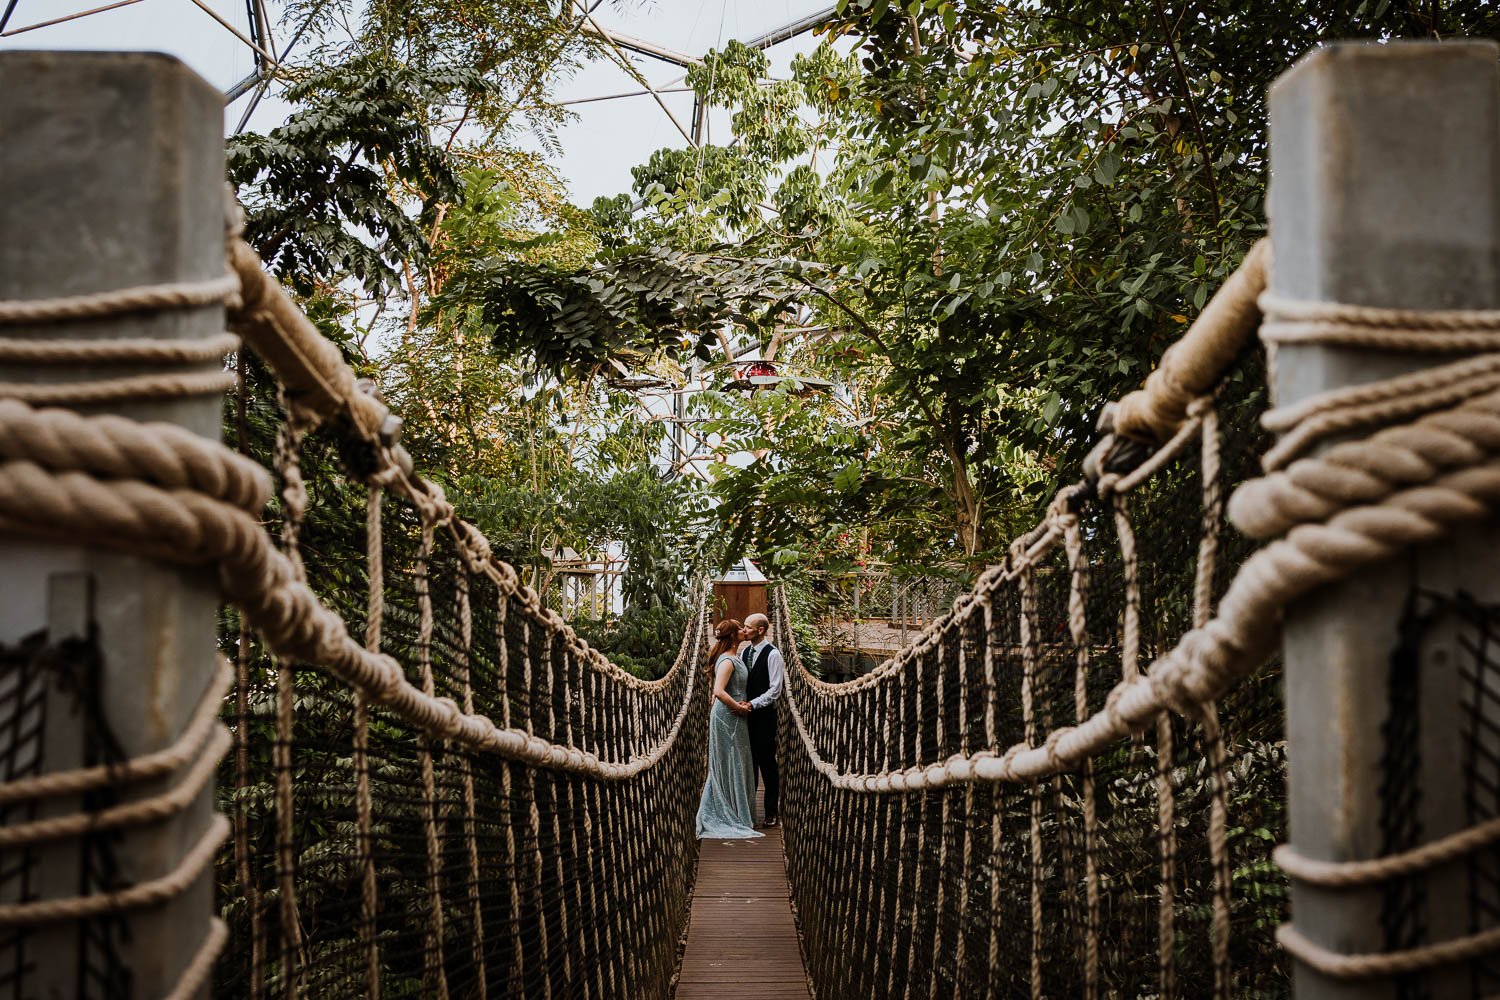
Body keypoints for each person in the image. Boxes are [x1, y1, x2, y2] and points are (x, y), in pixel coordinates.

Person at [694, 618, 763, 840]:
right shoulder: (727, 661)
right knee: (729, 762)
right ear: (733, 636)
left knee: (739, 762)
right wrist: (739, 708)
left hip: (735, 717)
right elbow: (719, 691)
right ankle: (729, 814)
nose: (744, 630)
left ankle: (739, 813)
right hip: (728, 717)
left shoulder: (737, 657)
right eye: (740, 628)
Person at [740, 612, 784, 827]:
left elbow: (775, 690)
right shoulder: (744, 652)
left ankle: (771, 812)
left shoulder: (773, 654)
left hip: (764, 717)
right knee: (749, 763)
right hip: (744, 716)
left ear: (761, 630)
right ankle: (748, 811)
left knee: (767, 763)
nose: (744, 630)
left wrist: (753, 704)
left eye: (748, 627)